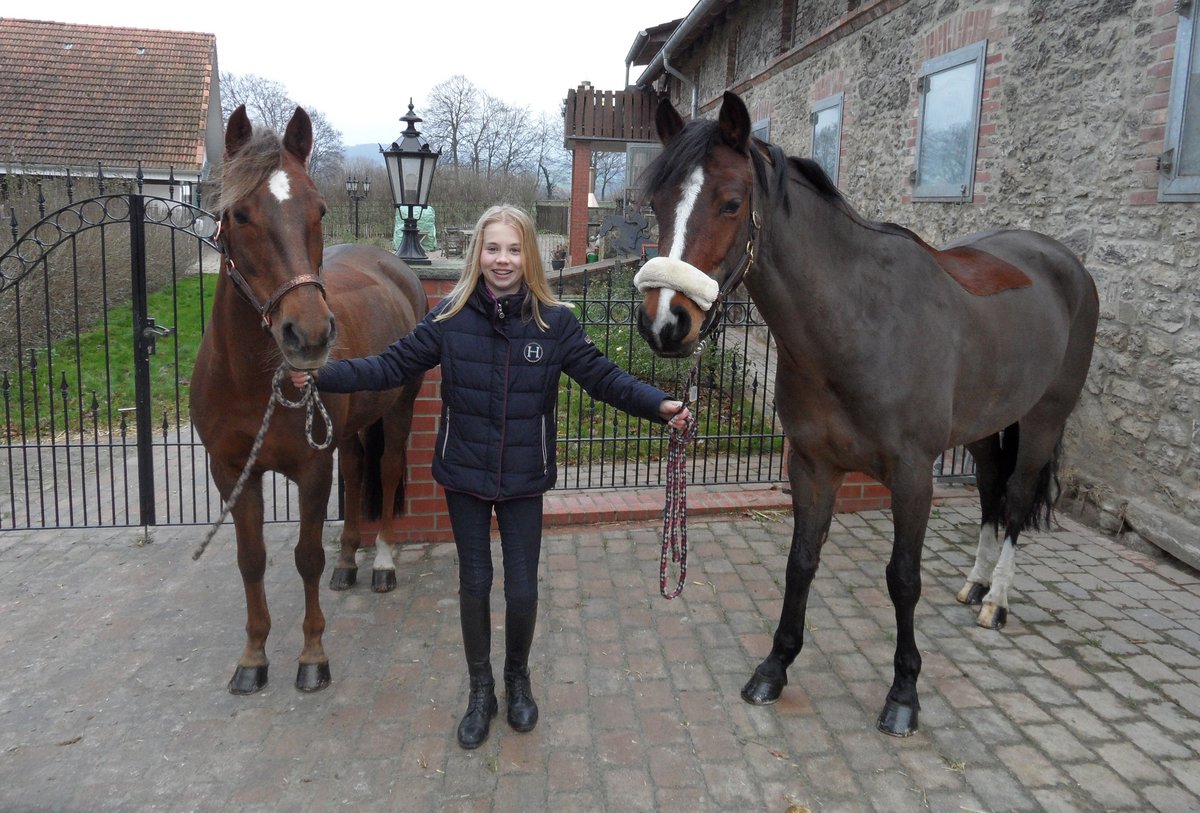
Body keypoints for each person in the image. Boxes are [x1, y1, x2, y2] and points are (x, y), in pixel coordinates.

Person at [289, 204, 690, 749]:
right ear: (479, 253)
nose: (502, 260)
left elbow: (604, 379)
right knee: (474, 585)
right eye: (493, 248)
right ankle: (481, 690)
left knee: (523, 590)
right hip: (466, 476)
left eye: (514, 249)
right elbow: (389, 366)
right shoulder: (448, 319)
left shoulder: (557, 324)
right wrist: (321, 373)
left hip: (525, 476)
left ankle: (516, 680)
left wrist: (658, 405)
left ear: (529, 256)